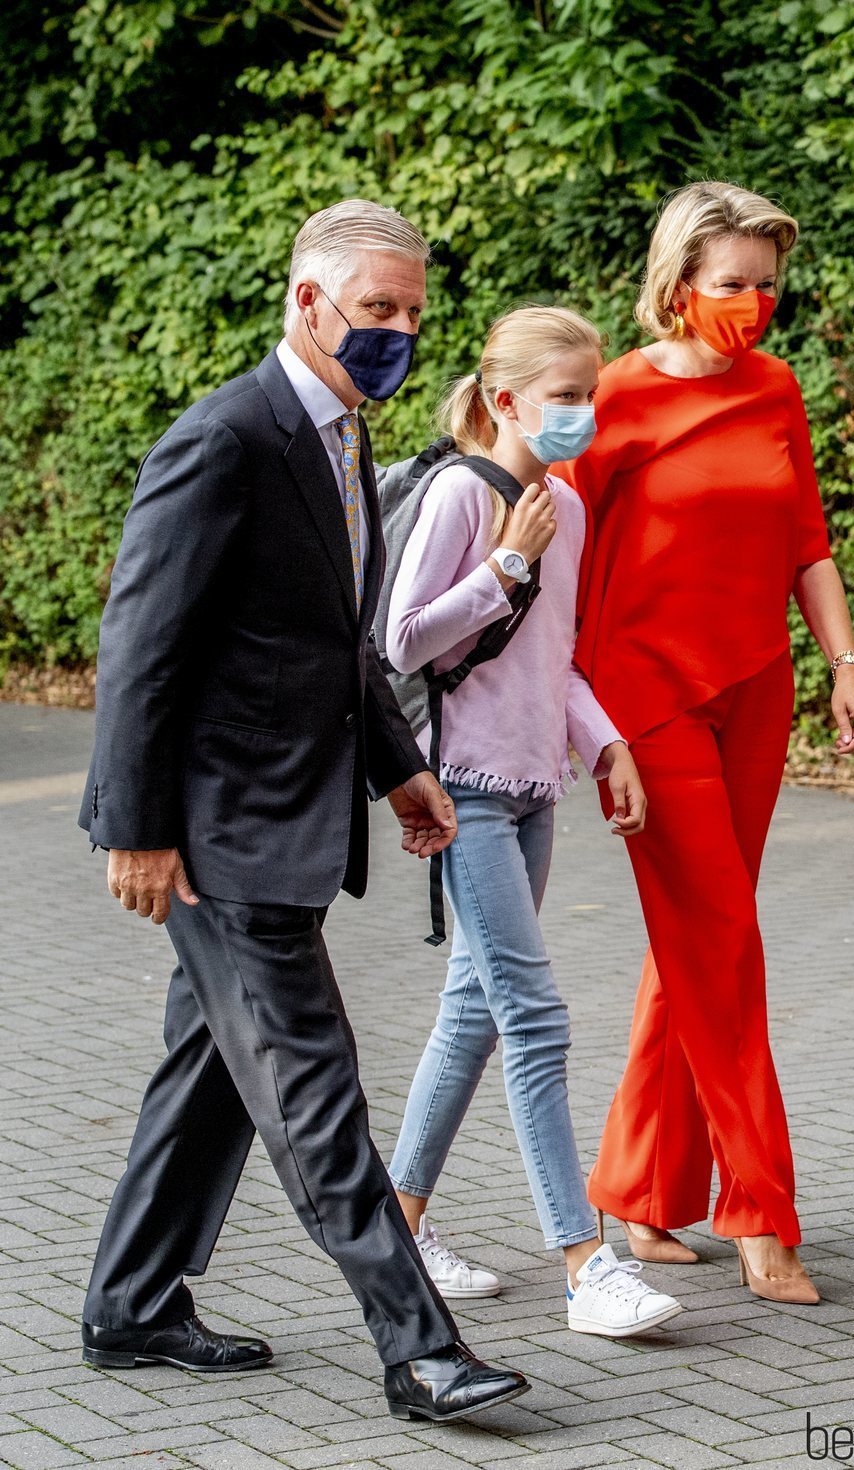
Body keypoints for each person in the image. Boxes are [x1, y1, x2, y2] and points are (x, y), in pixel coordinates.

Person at [77, 199, 529, 1423]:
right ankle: (419, 1350)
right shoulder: (227, 437)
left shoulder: (340, 442)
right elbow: (142, 644)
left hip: (286, 811)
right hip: (220, 827)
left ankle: (130, 1305)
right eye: (375, 308)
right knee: (312, 1086)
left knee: (212, 1074)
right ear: (307, 301)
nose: (396, 330)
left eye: (412, 312)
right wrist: (135, 825)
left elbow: (330, 646)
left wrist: (397, 766)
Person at [562, 181, 854, 1305]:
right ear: (678, 286)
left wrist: (841, 662)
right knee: (723, 945)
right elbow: (547, 542)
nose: (751, 303)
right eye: (730, 283)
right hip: (645, 702)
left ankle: (640, 1194)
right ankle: (758, 1210)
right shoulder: (611, 397)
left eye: (766, 285)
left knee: (694, 946)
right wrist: (573, 723)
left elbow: (805, 536)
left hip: (754, 694)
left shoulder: (775, 387)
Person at [385, 306, 683, 1338]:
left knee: (472, 1012)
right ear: (502, 399)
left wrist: (605, 746)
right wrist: (501, 567)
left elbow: (552, 663)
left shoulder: (569, 505)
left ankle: (396, 1230)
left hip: (532, 788)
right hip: (460, 786)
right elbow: (403, 640)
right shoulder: (460, 495)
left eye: (587, 396)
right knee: (532, 1014)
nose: (580, 415)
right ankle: (582, 1265)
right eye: (563, 398)